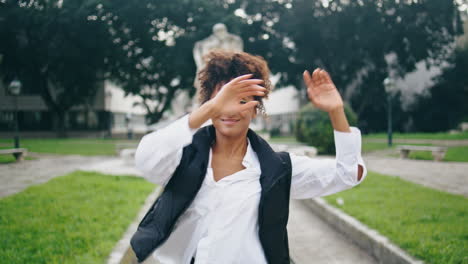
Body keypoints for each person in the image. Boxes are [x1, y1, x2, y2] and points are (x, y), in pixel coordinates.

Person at [131, 50, 366, 264]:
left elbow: (348, 173)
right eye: (222, 99)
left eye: (242, 101)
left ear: (256, 108)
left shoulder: (277, 168)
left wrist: (336, 111)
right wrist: (206, 111)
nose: (231, 110)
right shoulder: (181, 156)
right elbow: (145, 159)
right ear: (208, 104)